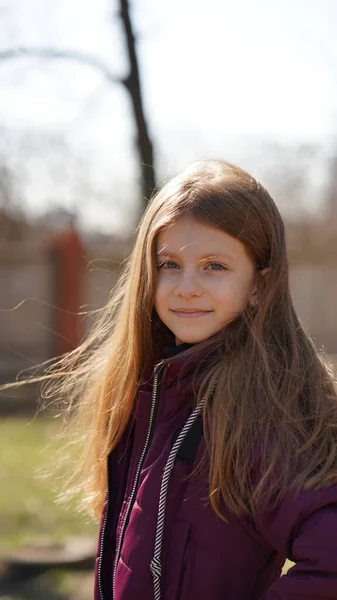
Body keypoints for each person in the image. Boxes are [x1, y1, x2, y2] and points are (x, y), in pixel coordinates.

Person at [39, 160, 337, 598]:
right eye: (169, 264)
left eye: (214, 266)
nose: (186, 287)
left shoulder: (260, 410)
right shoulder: (151, 388)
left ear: (258, 284)